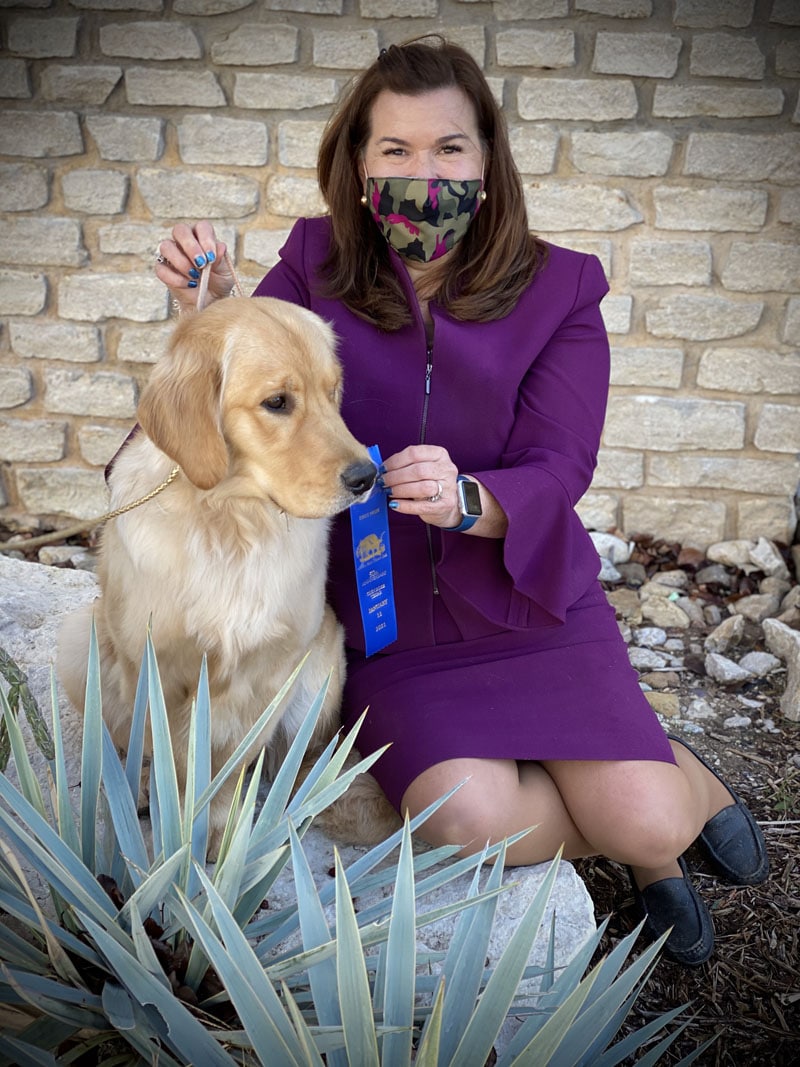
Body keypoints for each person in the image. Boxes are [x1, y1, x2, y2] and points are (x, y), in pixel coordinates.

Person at [154, 36, 768, 966]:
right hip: (390, 617)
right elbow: (236, 381)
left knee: (648, 822)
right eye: (394, 150)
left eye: (448, 148)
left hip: (530, 598)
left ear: (487, 163)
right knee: (469, 816)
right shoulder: (314, 265)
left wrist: (471, 498)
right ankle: (631, 802)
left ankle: (674, 804)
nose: (422, 173)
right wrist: (204, 303)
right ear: (358, 164)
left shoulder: (562, 287)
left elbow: (562, 463)